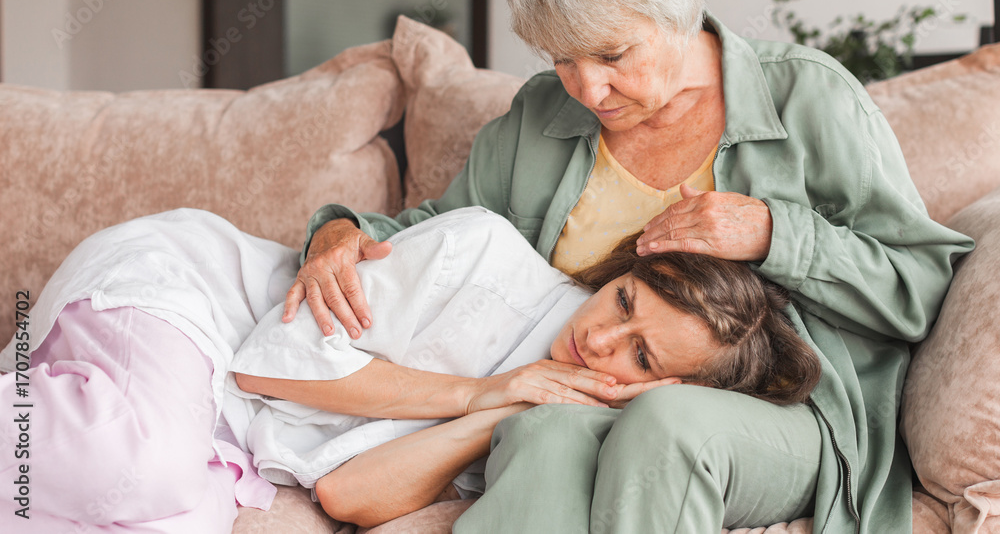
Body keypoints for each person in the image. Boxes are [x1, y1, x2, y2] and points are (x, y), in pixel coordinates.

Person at [283, 0, 975, 532]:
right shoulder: (541, 118)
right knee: (543, 430)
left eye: (612, 55)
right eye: (561, 58)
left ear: (678, 6)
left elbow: (922, 286)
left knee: (667, 420)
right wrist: (337, 231)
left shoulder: (811, 99)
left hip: (789, 414)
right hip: (588, 395)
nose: (588, 90)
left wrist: (775, 233)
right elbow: (439, 233)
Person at [0, 206, 817, 532]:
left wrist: (504, 411)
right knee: (140, 460)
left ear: (668, 388)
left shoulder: (556, 422)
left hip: (228, 435)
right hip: (190, 302)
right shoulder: (486, 252)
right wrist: (483, 389)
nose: (602, 339)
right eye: (625, 300)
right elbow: (270, 369)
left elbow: (346, 492)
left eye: (640, 354)